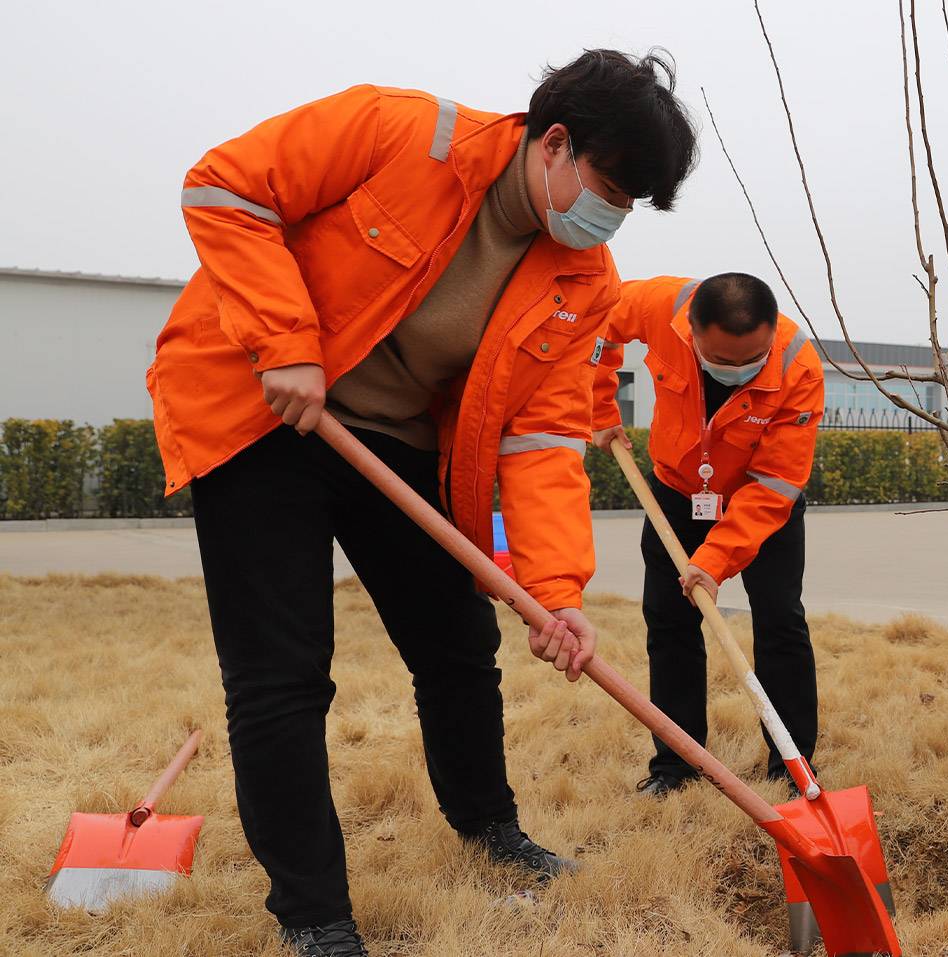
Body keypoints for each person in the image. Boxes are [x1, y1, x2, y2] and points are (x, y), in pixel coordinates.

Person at [148, 51, 697, 957]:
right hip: (265, 412)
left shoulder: (582, 277)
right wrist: (287, 342)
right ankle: (314, 914)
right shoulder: (401, 132)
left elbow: (542, 439)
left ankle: (489, 826)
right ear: (552, 142)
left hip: (395, 445)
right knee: (283, 675)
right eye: (609, 187)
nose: (612, 217)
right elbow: (225, 188)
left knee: (457, 647)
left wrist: (555, 591)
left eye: (632, 206)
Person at [590, 273, 825, 796]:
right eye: (722, 360)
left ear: (772, 331)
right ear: (690, 330)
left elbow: (775, 484)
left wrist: (713, 561)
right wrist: (600, 406)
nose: (738, 373)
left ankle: (791, 766)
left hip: (762, 501)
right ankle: (676, 765)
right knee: (669, 622)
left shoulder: (799, 365)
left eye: (752, 360)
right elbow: (596, 319)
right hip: (676, 491)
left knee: (780, 622)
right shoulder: (657, 306)